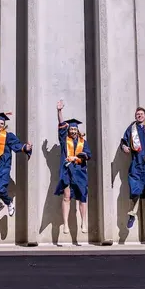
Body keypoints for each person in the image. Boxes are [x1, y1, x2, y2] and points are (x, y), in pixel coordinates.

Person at [54, 100, 91, 236]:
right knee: (66, 196)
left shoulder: (83, 142)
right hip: (67, 171)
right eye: (71, 129)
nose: (73, 131)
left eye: (75, 129)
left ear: (78, 130)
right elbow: (61, 126)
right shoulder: (65, 141)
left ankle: (84, 222)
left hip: (80, 172)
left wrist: (77, 158)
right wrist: (59, 112)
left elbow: (88, 155)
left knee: (82, 197)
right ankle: (66, 224)